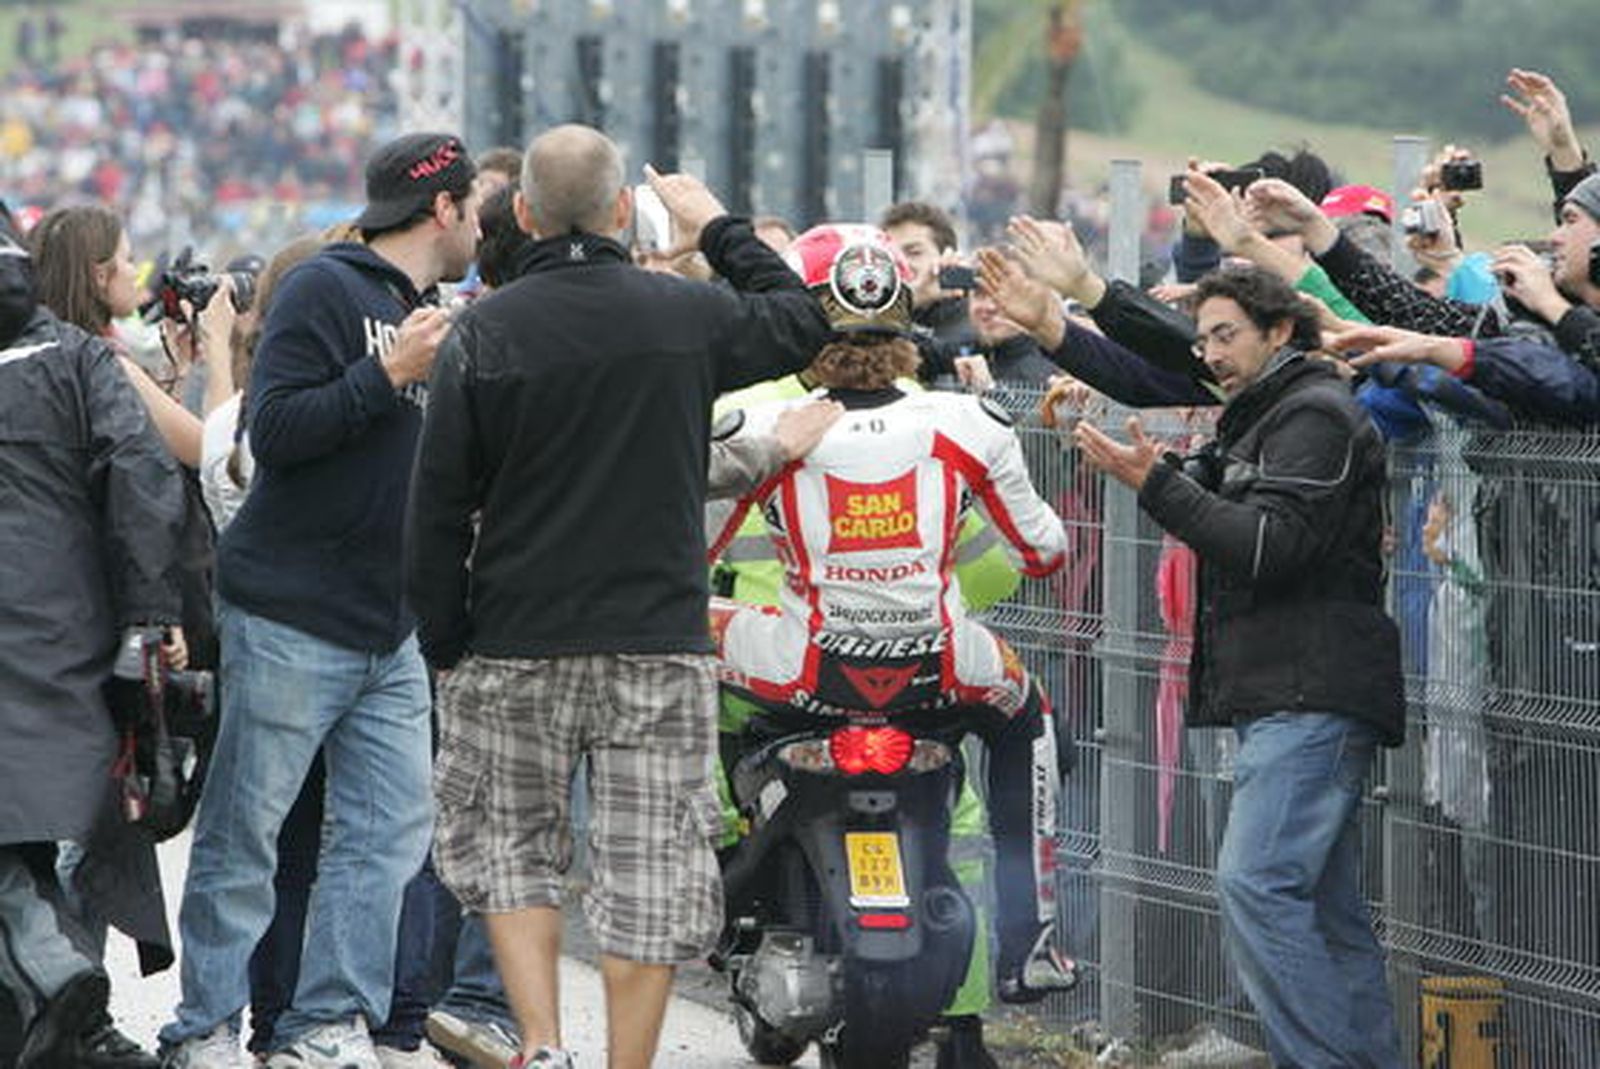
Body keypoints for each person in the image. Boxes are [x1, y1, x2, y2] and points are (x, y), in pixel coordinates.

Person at [404, 123, 834, 1069]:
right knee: (650, 864)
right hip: (656, 637)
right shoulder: (683, 314)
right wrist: (715, 225)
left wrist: (446, 638)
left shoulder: (483, 332)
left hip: (515, 635)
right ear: (622, 211)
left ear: (522, 213)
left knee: (512, 846)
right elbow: (803, 322)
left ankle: (544, 1044)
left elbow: (435, 504)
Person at [157, 131, 481, 1069]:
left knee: (386, 838)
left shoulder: (425, 311)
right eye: (473, 210)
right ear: (443, 208)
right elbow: (276, 429)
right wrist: (387, 374)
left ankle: (325, 1022)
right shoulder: (323, 289)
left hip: (390, 625)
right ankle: (205, 1027)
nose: (480, 229)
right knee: (245, 834)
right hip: (292, 613)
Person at [709, 224, 1079, 1015]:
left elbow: (686, 552)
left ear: (805, 327)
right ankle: (1032, 940)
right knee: (1032, 717)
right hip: (939, 664)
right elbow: (1044, 552)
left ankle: (707, 858)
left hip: (803, 664)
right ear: (907, 327)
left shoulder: (769, 427)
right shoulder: (971, 421)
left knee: (675, 628)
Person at [1073, 264, 1404, 1068]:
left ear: (1280, 330)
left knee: (1257, 884)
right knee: (1323, 909)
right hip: (1287, 690)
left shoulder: (1315, 415)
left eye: (1227, 335)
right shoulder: (1266, 413)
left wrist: (1156, 483)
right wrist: (1172, 475)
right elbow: (1241, 514)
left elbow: (1266, 546)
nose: (1212, 354)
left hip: (1312, 691)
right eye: (1204, 339)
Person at [0, 204, 185, 1067]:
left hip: (49, 629)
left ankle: (55, 978)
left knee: (24, 838)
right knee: (36, 827)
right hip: (62, 631)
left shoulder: (75, 356)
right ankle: (62, 1007)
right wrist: (152, 613)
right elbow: (142, 477)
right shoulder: (75, 357)